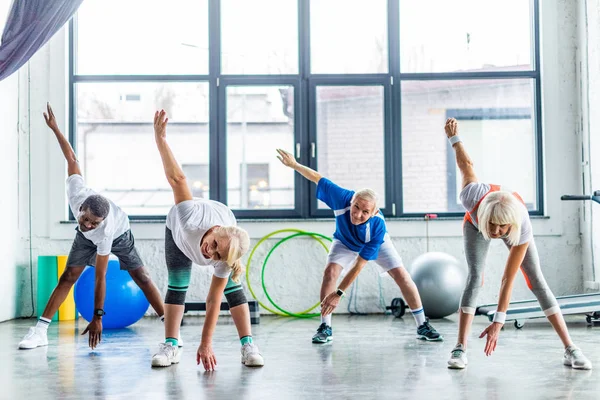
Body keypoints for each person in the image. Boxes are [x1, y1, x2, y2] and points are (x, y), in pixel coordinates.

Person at [444, 117, 592, 370]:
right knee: (475, 277)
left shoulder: (520, 224)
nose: (498, 232)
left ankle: (570, 348)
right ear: (485, 218)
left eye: (502, 228)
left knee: (536, 280)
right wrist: (454, 138)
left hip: (514, 225)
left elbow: (507, 278)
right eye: (493, 227)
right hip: (473, 224)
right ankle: (460, 348)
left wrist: (499, 321)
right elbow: (466, 164)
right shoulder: (471, 196)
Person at [19, 103, 165, 350]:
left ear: (101, 222)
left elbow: (100, 277)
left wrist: (98, 316)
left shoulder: (105, 231)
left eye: (92, 223)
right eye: (84, 219)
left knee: (141, 276)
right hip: (92, 239)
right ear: (82, 209)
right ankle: (40, 331)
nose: (86, 225)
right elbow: (72, 158)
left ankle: (170, 327)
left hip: (121, 234)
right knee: (68, 276)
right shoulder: (78, 194)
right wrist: (54, 127)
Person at [275, 148, 443, 343]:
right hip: (344, 241)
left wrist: (339, 293)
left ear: (373, 212)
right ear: (352, 199)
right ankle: (325, 326)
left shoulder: (378, 226)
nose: (358, 214)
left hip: (377, 244)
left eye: (365, 211)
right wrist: (294, 165)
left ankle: (422, 324)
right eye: (356, 207)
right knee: (330, 272)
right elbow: (317, 178)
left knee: (401, 275)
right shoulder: (341, 197)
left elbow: (359, 264)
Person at [151, 110, 264, 370]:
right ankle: (171, 344)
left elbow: (213, 299)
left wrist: (206, 343)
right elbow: (177, 178)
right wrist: (161, 140)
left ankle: (248, 345)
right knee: (178, 284)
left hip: (228, 235)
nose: (209, 253)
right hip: (177, 233)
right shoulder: (189, 217)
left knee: (233, 289)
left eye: (217, 255)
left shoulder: (226, 254)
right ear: (214, 229)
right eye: (213, 245)